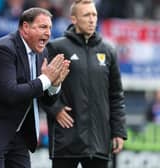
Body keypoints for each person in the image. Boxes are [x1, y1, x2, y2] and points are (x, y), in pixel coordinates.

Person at [44, 0, 127, 168]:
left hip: (99, 141)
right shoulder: (56, 47)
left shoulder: (108, 50)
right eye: (86, 15)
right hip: (66, 138)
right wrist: (55, 108)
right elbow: (42, 86)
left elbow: (116, 95)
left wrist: (118, 131)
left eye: (94, 15)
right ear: (74, 19)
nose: (92, 20)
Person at [0, 7, 70, 168]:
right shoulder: (4, 49)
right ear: (25, 28)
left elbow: (45, 101)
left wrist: (54, 86)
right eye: (42, 27)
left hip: (20, 138)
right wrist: (46, 79)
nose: (48, 33)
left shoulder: (42, 53)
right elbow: (10, 94)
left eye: (49, 27)